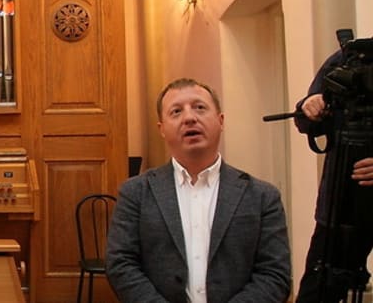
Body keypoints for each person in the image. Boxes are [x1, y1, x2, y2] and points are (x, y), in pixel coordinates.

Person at [106, 78, 291, 302]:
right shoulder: (136, 193)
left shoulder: (262, 197)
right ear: (161, 129)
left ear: (220, 120)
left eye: (200, 108)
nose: (189, 118)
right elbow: (121, 264)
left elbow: (274, 274)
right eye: (176, 111)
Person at [293, 48, 373, 302]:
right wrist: (309, 105)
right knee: (317, 292)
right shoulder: (350, 58)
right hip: (340, 202)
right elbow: (305, 121)